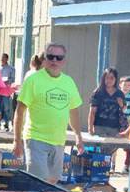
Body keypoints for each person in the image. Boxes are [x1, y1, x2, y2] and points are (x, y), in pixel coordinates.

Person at [13, 43, 86, 182]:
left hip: (58, 141)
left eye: (59, 58)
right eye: (51, 57)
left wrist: (78, 136)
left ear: (64, 61)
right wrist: (17, 141)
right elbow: (19, 111)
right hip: (35, 139)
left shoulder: (68, 82)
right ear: (45, 59)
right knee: (38, 183)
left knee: (53, 184)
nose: (54, 61)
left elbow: (73, 111)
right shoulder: (33, 80)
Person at [88, 67, 125, 136]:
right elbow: (92, 112)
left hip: (114, 128)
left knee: (112, 146)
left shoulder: (120, 93)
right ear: (103, 79)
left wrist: (121, 105)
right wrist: (90, 128)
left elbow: (124, 110)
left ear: (115, 79)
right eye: (107, 78)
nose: (109, 80)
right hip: (99, 127)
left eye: (112, 78)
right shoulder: (98, 92)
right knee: (100, 146)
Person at [0, 52, 15, 130]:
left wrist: (7, 81)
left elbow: (13, 79)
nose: (2, 59)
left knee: (6, 108)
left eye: (4, 58)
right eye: (1, 58)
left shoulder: (11, 68)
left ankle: (6, 124)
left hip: (6, 91)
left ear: (7, 59)